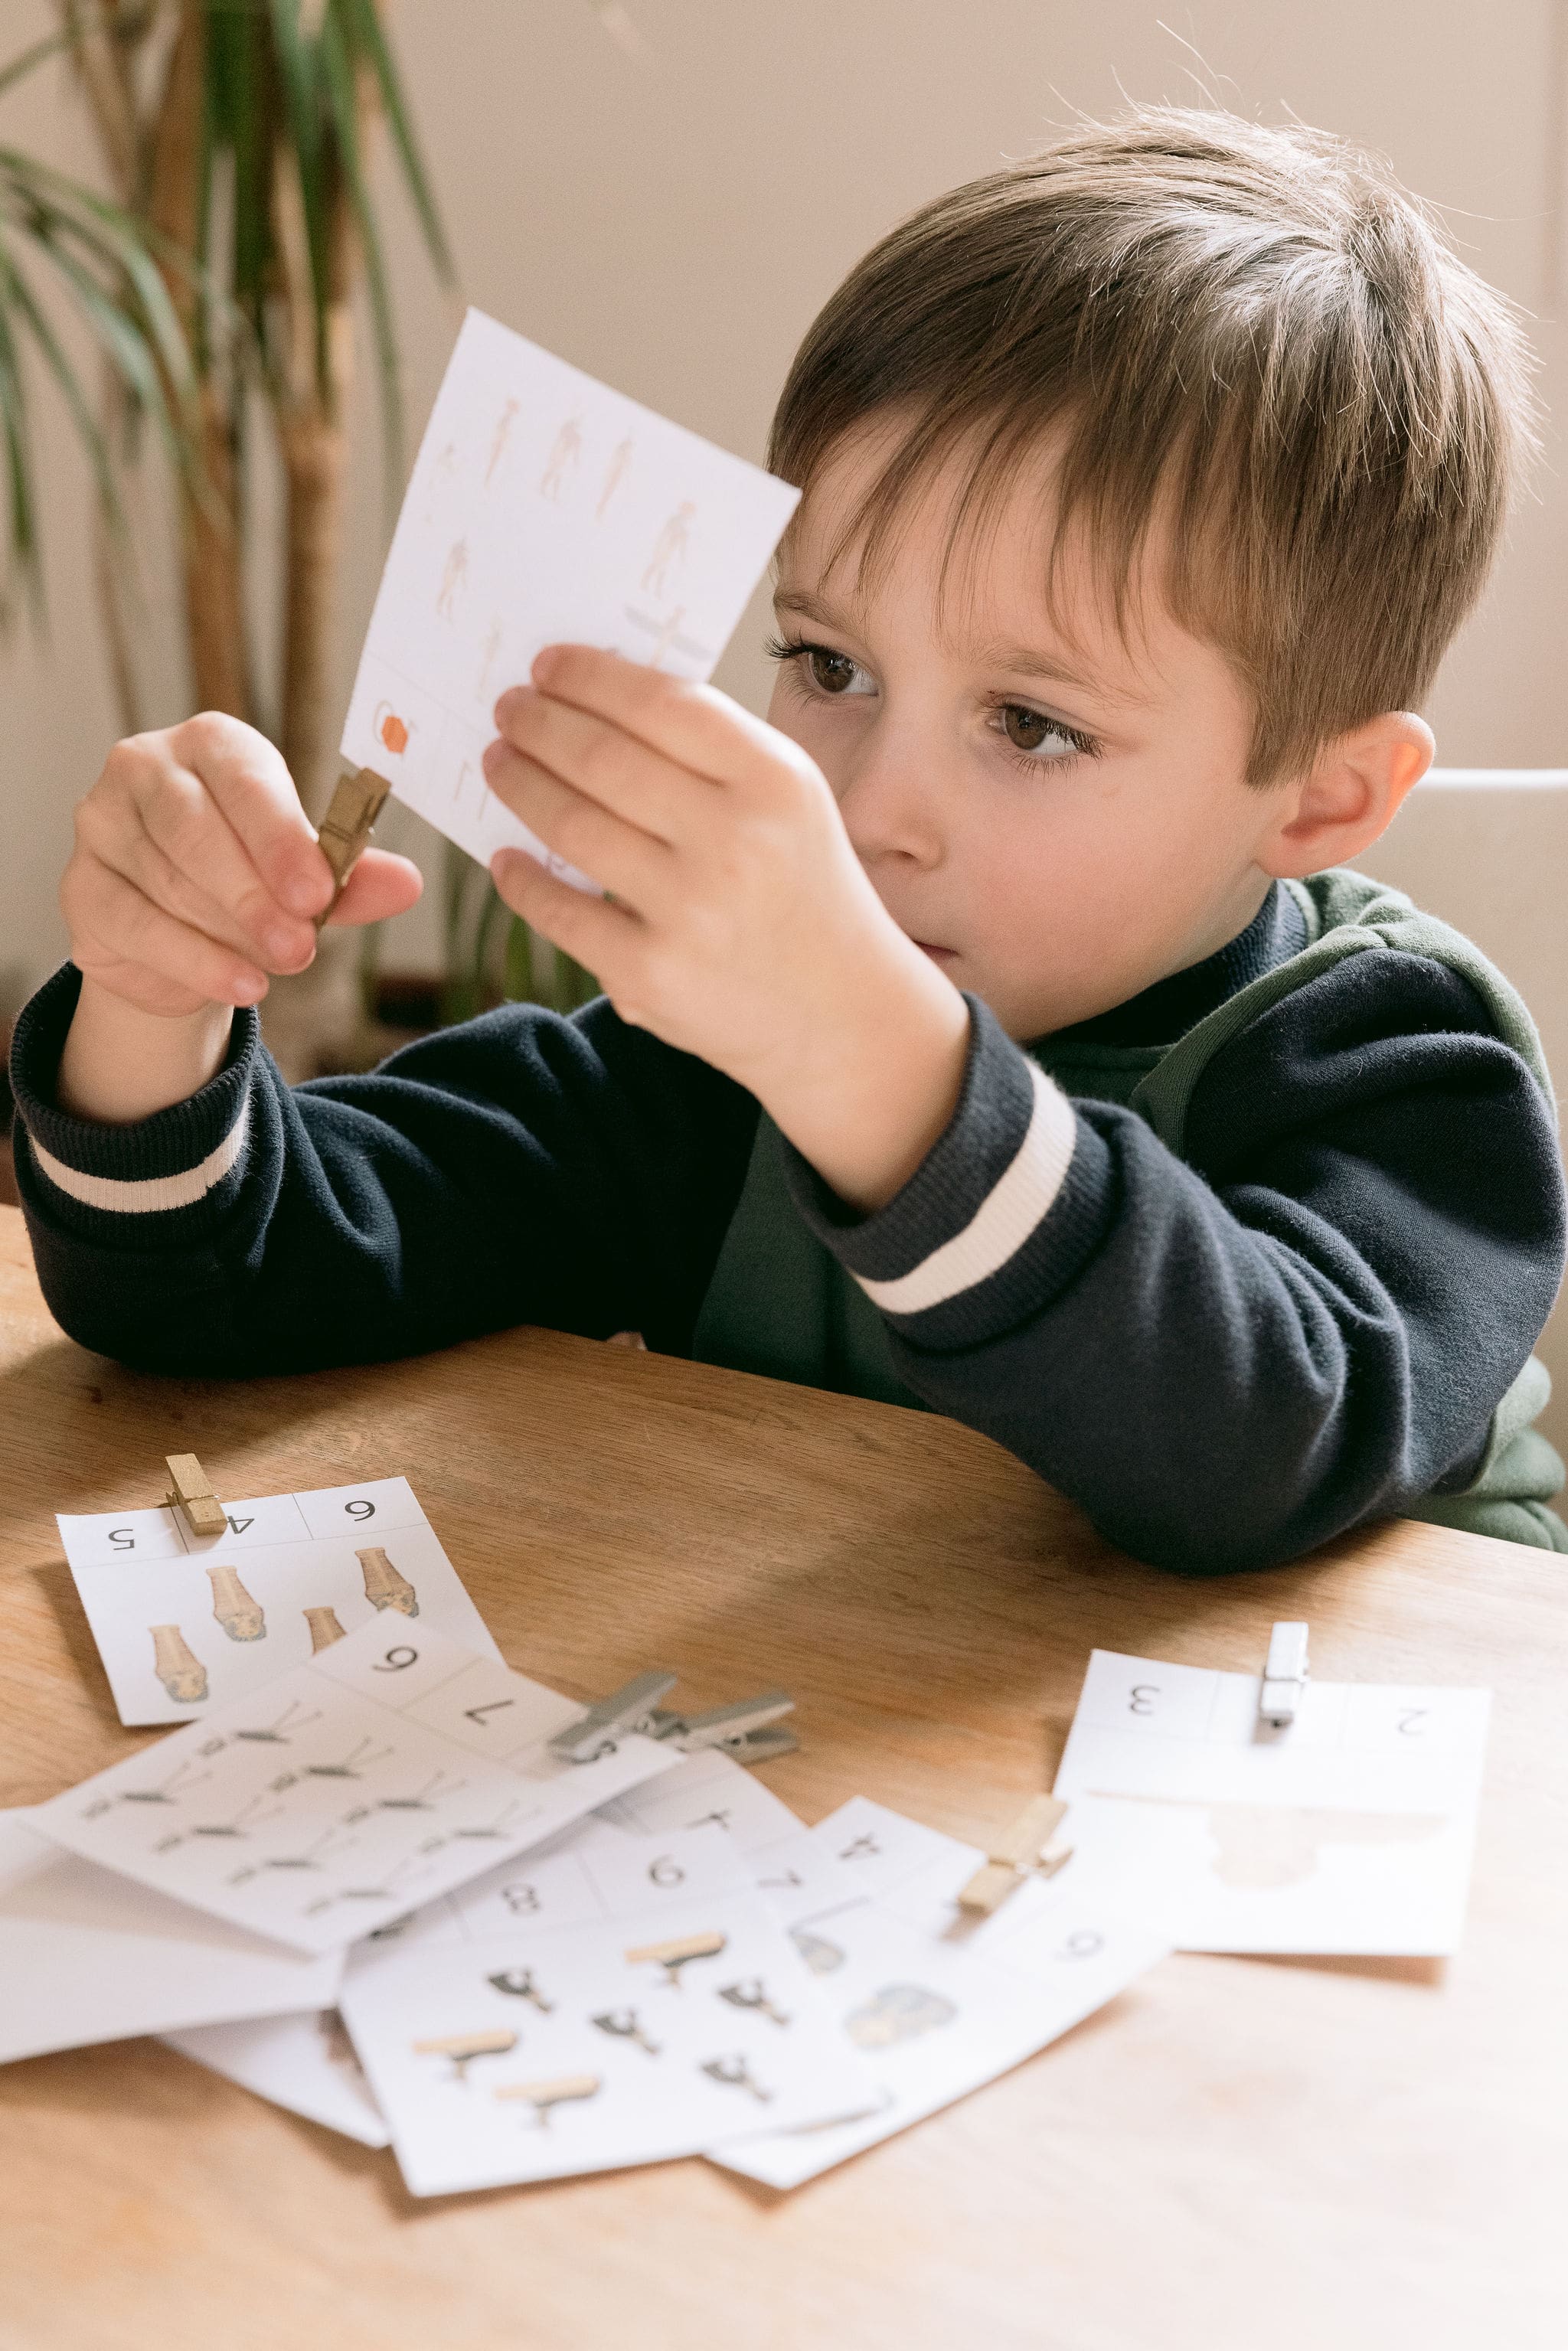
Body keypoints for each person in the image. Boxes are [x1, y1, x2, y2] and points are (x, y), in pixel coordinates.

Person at [10, 108, 1566, 1572]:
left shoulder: (1403, 1064)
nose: (863, 807)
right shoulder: (709, 1070)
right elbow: (222, 1286)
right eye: (828, 665)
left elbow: (1251, 1443)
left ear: (1318, 798)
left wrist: (869, 1059)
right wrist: (156, 997)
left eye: (1030, 724)